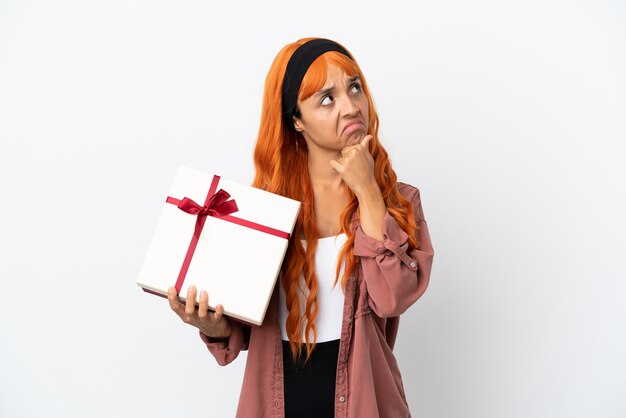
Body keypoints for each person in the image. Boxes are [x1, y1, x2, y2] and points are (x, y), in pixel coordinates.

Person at [166, 37, 434, 418]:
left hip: (363, 403)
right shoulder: (264, 209)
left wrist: (369, 192)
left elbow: (394, 297)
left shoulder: (399, 201)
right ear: (296, 120)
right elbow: (240, 330)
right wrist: (214, 325)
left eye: (354, 87)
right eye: (327, 98)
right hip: (275, 401)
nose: (350, 106)